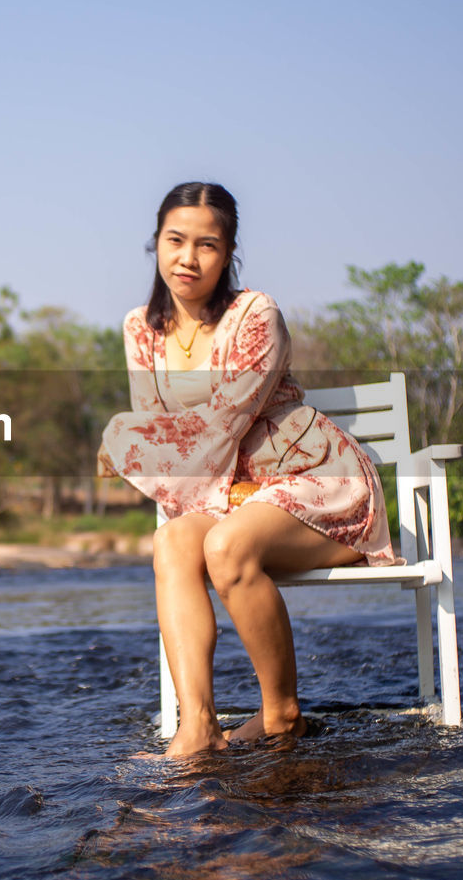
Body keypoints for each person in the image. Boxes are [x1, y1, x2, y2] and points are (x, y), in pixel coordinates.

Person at [100, 182, 396, 758]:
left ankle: (282, 714)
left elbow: (223, 423)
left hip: (317, 483)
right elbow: (159, 429)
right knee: (171, 545)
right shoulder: (141, 328)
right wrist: (136, 435)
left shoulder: (256, 314)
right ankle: (198, 725)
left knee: (227, 547)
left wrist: (119, 438)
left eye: (207, 245)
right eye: (175, 240)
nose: (188, 258)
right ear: (155, 244)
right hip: (227, 497)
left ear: (228, 253)